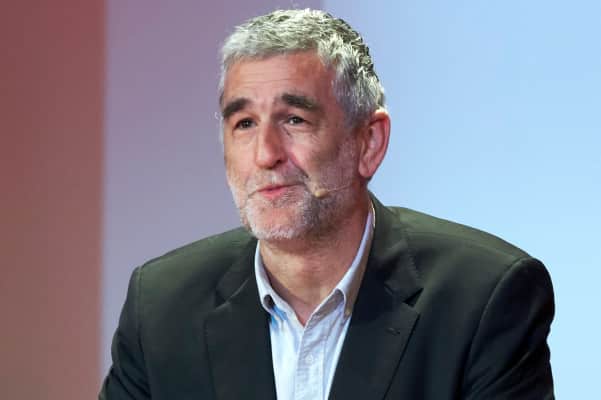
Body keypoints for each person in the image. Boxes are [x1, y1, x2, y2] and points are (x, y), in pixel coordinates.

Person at [99, 9, 554, 400]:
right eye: (244, 124)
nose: (265, 154)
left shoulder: (484, 297)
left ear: (368, 143)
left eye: (294, 120)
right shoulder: (160, 307)